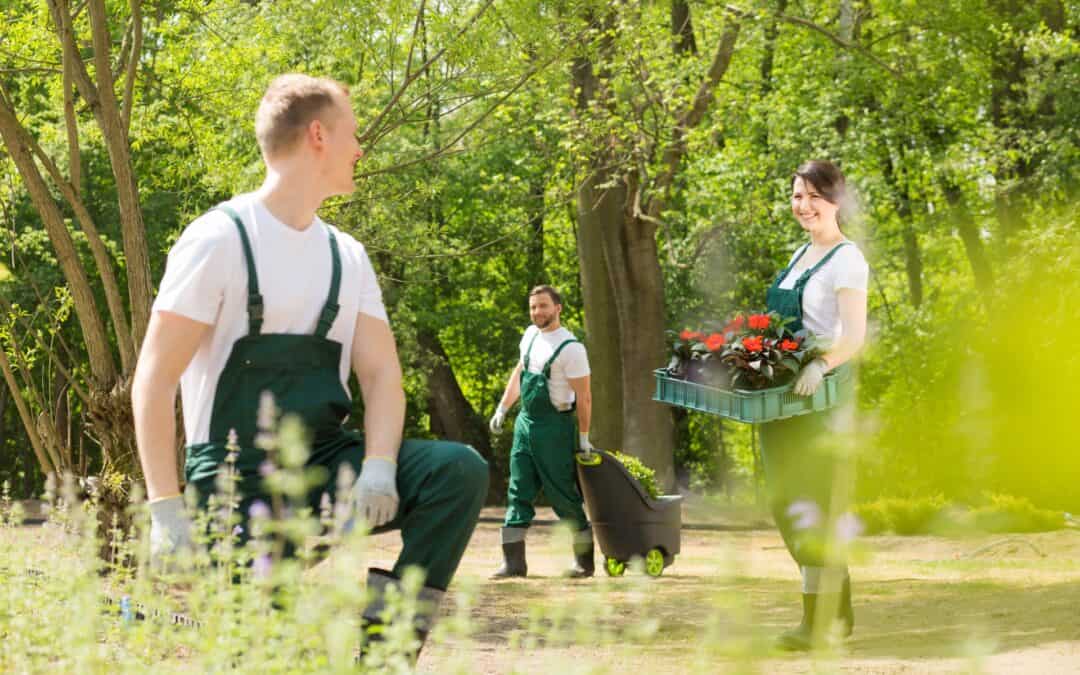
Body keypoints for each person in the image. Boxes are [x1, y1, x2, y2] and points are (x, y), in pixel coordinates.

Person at [130, 74, 489, 655]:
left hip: (325, 467)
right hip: (232, 485)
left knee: (458, 470)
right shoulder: (218, 240)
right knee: (262, 656)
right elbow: (153, 380)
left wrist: (377, 465)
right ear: (318, 134)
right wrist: (166, 511)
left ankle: (385, 651)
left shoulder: (346, 256)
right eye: (353, 132)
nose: (361, 148)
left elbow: (381, 376)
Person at [761, 159, 869, 650]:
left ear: (836, 201)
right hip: (783, 401)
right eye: (797, 196)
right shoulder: (800, 254)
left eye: (813, 197)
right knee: (787, 505)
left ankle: (819, 622)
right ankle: (835, 614)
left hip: (818, 403)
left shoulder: (847, 260)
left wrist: (819, 365)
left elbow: (854, 336)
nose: (803, 206)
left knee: (810, 506)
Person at [488, 285, 596, 578]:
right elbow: (520, 371)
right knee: (518, 490)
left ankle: (584, 563)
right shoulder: (530, 335)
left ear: (558, 308)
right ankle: (513, 563)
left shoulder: (571, 348)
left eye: (543, 306)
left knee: (562, 494)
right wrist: (503, 408)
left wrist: (583, 438)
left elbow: (584, 397)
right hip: (525, 424)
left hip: (556, 428)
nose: (537, 312)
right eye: (534, 307)